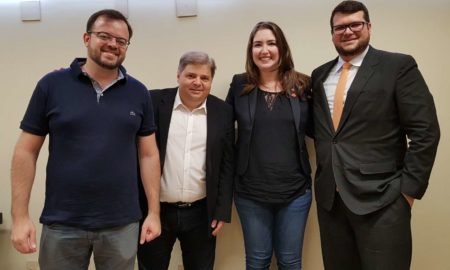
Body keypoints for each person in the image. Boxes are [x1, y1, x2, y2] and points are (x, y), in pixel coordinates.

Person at [10, 9, 161, 270]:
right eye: (104, 35)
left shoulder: (139, 92)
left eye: (121, 40)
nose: (113, 44)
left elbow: (149, 154)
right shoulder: (51, 85)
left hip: (122, 224)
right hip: (62, 222)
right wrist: (20, 216)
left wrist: (154, 213)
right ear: (86, 38)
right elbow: (26, 151)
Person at [311, 1, 441, 269]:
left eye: (355, 24)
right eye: (340, 27)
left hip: (383, 201)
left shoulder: (397, 66)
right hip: (331, 203)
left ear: (369, 26)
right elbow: (326, 132)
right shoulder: (319, 75)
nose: (347, 31)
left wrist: (407, 194)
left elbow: (426, 131)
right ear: (332, 33)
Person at [226, 21, 313, 270]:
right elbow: (221, 130)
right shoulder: (239, 85)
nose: (264, 50)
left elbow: (321, 131)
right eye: (258, 44)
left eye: (271, 43)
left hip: (296, 192)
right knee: (257, 261)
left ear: (282, 48)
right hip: (250, 192)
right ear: (251, 51)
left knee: (290, 261)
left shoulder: (302, 85)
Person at [137, 51, 234, 270]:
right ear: (178, 75)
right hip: (156, 211)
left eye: (205, 78)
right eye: (191, 76)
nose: (197, 82)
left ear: (211, 81)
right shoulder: (153, 102)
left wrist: (222, 210)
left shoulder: (223, 111)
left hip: (201, 213)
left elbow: (227, 164)